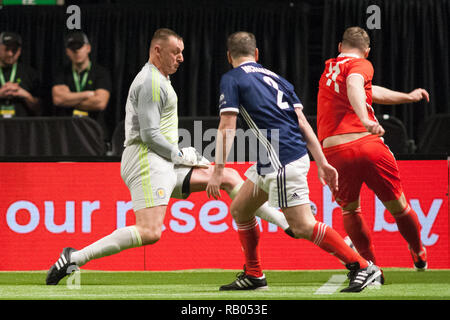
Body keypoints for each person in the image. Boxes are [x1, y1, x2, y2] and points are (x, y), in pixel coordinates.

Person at [46, 28, 292, 286]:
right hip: (145, 160)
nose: (181, 58)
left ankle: (285, 223)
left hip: (160, 161)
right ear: (157, 51)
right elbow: (150, 135)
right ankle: (74, 257)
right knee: (150, 232)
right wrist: (181, 155)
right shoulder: (150, 82)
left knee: (228, 177)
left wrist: (179, 156)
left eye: (182, 52)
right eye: (176, 52)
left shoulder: (161, 79)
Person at [206, 31, 381, 293]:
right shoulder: (279, 79)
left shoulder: (232, 79)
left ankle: (362, 266)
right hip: (275, 159)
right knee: (241, 210)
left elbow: (227, 125)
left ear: (229, 56)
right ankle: (254, 275)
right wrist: (321, 161)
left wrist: (217, 171)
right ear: (256, 54)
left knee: (302, 226)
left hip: (282, 161)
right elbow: (301, 122)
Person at [316, 26, 429, 279]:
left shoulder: (330, 67)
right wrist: (365, 119)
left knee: (350, 210)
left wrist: (406, 97)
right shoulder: (362, 66)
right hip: (366, 143)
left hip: (336, 150)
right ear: (367, 51)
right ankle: (419, 251)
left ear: (339, 47)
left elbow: (368, 91)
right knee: (399, 207)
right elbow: (356, 87)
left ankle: (370, 268)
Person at [52, 31, 111, 121]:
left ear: (88, 48)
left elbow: (100, 103)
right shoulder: (61, 73)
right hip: (68, 128)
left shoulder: (101, 72)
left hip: (94, 128)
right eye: (72, 48)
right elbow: (58, 99)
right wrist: (87, 94)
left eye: (79, 47)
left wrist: (68, 100)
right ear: (67, 51)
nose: (76, 51)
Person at [0, 32, 41, 117]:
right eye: (7, 49)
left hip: (21, 127)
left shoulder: (29, 73)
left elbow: (39, 109)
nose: (10, 54)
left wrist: (25, 95)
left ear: (20, 51)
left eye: (14, 50)